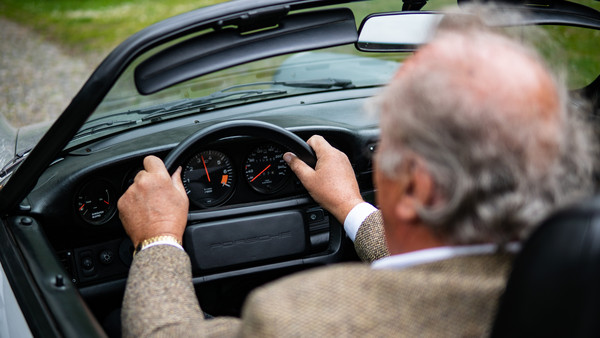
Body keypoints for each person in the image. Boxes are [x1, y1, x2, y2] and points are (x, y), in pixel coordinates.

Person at [117, 11, 596, 337]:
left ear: (417, 187)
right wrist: (350, 206)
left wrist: (158, 238)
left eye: (387, 142)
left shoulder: (301, 318)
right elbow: (453, 271)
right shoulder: (581, 285)